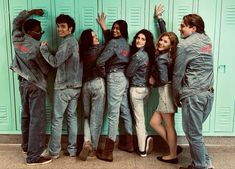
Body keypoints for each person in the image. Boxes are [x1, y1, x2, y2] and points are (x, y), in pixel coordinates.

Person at [10, 9, 52, 165]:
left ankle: (27, 146)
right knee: (37, 119)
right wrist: (45, 49)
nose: (41, 33)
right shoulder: (37, 48)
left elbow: (16, 22)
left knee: (26, 115)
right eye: (38, 31)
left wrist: (31, 12)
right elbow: (46, 70)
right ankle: (33, 156)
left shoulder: (17, 39)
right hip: (35, 85)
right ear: (30, 32)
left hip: (22, 82)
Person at [172, 14, 214, 169]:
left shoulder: (184, 45)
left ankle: (199, 166)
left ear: (193, 28)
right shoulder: (207, 40)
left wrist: (175, 95)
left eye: (183, 25)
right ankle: (206, 163)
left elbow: (177, 74)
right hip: (208, 94)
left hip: (193, 95)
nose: (179, 28)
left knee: (193, 132)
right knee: (195, 131)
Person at [40, 14, 82, 158]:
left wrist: (44, 50)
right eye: (58, 26)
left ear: (70, 28)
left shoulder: (67, 43)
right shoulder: (73, 43)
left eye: (63, 26)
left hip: (64, 87)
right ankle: (72, 150)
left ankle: (53, 151)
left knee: (57, 119)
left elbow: (55, 62)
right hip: (75, 87)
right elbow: (62, 58)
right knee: (71, 117)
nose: (59, 29)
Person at [96, 13, 133, 162]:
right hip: (124, 78)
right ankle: (130, 144)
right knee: (124, 110)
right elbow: (111, 41)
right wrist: (104, 27)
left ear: (123, 30)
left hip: (114, 77)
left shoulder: (113, 43)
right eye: (113, 28)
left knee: (112, 113)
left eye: (118, 28)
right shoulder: (127, 45)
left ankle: (108, 152)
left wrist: (105, 74)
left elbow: (100, 61)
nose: (115, 30)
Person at [149, 4, 181, 164]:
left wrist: (152, 81)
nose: (161, 42)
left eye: (165, 41)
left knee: (169, 126)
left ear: (171, 45)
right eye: (161, 40)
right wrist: (159, 19)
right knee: (154, 122)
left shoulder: (162, 59)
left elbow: (161, 80)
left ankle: (173, 155)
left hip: (165, 92)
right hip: (167, 92)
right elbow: (166, 34)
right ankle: (173, 146)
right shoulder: (170, 54)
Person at [126, 29, 155, 157]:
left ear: (147, 42)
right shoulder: (149, 55)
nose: (139, 40)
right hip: (146, 90)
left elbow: (128, 73)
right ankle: (145, 137)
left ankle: (142, 149)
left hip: (136, 90)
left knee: (139, 120)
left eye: (143, 39)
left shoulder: (138, 56)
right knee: (140, 117)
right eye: (138, 38)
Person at [78, 29, 106, 161]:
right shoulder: (99, 48)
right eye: (94, 37)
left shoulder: (81, 51)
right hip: (98, 83)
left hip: (85, 86)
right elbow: (112, 42)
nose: (97, 38)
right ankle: (93, 149)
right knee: (97, 117)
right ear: (89, 40)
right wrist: (104, 28)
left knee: (86, 116)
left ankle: (87, 141)